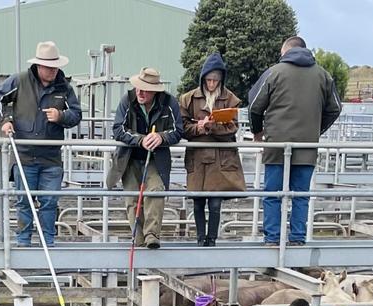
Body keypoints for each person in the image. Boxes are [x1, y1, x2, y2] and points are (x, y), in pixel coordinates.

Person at [248, 36, 342, 246]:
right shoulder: (323, 75)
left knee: (273, 194)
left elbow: (254, 105)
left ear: (285, 51)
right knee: (301, 195)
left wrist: (257, 132)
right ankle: (298, 238)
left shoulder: (274, 72)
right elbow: (335, 107)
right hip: (307, 146)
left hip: (276, 145)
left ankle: (272, 239)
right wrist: (317, 129)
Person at [0, 41, 82, 247]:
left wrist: (61, 116)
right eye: (49, 66)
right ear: (38, 66)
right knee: (24, 201)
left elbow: (76, 114)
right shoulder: (20, 81)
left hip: (51, 156)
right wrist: (4, 120)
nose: (52, 70)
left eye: (55, 66)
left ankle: (48, 242)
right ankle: (23, 241)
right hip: (24, 153)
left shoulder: (64, 87)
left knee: (50, 201)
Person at [106, 67, 183, 249]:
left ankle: (152, 235)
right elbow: (118, 128)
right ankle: (138, 238)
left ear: (154, 91)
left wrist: (161, 137)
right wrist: (140, 139)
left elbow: (178, 130)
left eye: (145, 89)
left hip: (157, 157)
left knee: (156, 191)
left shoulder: (169, 103)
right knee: (133, 198)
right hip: (130, 157)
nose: (140, 92)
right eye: (138, 87)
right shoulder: (128, 100)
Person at [179, 52, 245, 247]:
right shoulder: (188, 99)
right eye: (208, 80)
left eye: (215, 80)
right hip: (198, 156)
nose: (211, 84)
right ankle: (200, 239)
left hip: (220, 157)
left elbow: (233, 127)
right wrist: (198, 127)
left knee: (215, 202)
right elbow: (181, 127)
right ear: (202, 79)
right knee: (198, 200)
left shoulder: (231, 99)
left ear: (221, 80)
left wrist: (212, 126)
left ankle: (212, 240)